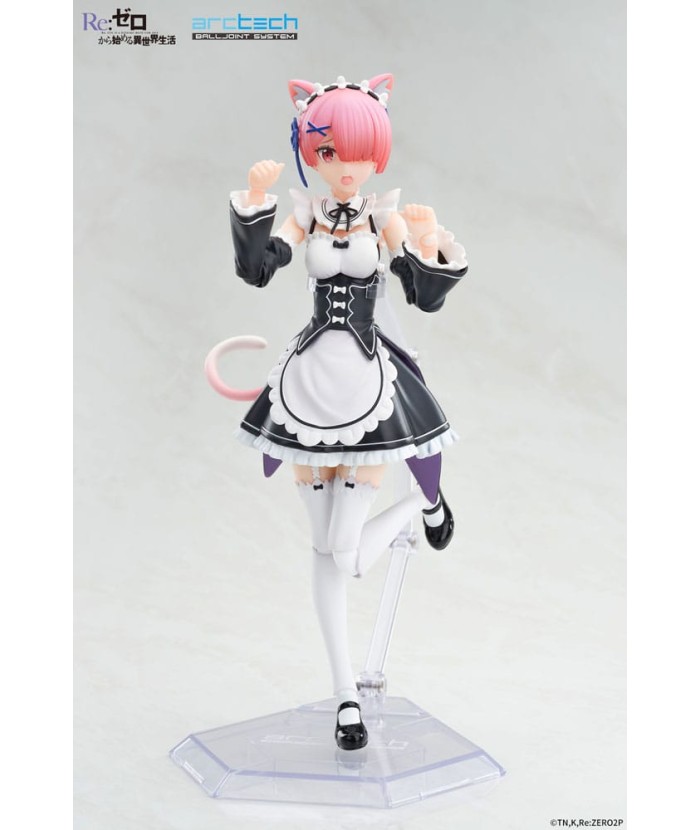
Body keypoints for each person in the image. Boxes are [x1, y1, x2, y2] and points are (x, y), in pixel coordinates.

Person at [209, 74, 468, 750]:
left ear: (376, 154)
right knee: (323, 549)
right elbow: (261, 267)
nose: (344, 167)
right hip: (308, 386)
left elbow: (422, 294)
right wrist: (254, 206)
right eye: (328, 152)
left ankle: (418, 507)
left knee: (348, 556)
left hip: (366, 388)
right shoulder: (307, 213)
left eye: (357, 152)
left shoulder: (383, 216)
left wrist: (428, 242)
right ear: (313, 154)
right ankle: (345, 694)